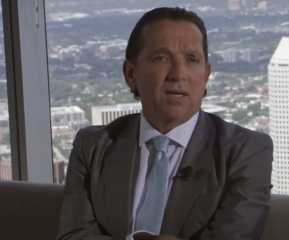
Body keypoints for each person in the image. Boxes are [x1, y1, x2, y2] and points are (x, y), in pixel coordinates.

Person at [56, 7, 273, 240]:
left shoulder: (246, 150)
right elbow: (73, 236)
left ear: (205, 75)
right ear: (130, 73)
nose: (178, 74)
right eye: (162, 58)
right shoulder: (92, 146)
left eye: (192, 60)